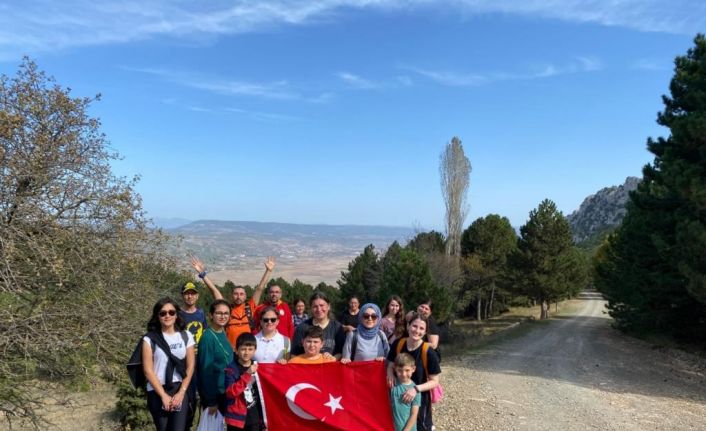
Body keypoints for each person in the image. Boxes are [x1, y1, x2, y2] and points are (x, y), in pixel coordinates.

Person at [193, 255, 274, 349]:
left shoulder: (250, 307)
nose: (238, 296)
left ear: (245, 296)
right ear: (232, 296)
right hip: (231, 351)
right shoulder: (227, 309)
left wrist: (268, 271)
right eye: (236, 294)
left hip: (248, 351)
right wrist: (203, 274)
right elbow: (214, 291)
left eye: (241, 294)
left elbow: (260, 288)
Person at [142, 297, 195, 431]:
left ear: (176, 314)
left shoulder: (186, 336)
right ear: (157, 316)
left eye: (171, 312)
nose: (167, 315)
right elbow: (148, 370)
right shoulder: (149, 339)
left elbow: (190, 366)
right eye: (163, 313)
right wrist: (163, 396)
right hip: (157, 390)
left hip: (179, 388)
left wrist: (181, 393)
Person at [387, 315, 441, 431]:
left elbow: (435, 381)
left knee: (420, 427)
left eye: (421, 328)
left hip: (419, 397)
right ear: (408, 326)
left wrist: (415, 389)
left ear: (426, 331)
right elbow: (391, 364)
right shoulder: (398, 344)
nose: (417, 330)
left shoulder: (429, 352)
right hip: (398, 395)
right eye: (414, 326)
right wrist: (390, 374)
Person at [197, 299, 234, 418]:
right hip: (215, 394)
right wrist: (211, 401)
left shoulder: (222, 332)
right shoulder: (207, 337)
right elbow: (205, 372)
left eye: (226, 313)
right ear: (211, 315)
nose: (223, 316)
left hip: (226, 390)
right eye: (219, 313)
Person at [224, 333, 265, 431]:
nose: (246, 353)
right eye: (243, 349)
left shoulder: (258, 367)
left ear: (255, 350)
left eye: (250, 349)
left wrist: (282, 364)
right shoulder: (231, 369)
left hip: (255, 417)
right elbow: (230, 392)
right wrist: (247, 375)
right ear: (236, 350)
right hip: (236, 418)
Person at [291, 291, 345, 359]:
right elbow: (294, 354)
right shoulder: (301, 328)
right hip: (307, 368)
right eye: (315, 306)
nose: (319, 309)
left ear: (328, 306)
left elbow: (341, 352)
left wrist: (333, 358)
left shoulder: (337, 327)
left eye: (322, 305)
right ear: (311, 308)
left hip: (330, 367)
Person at [390, 353, 421, 431]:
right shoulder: (391, 384)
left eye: (407, 370)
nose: (403, 374)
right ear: (395, 369)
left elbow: (414, 414)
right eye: (400, 370)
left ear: (413, 369)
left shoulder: (415, 391)